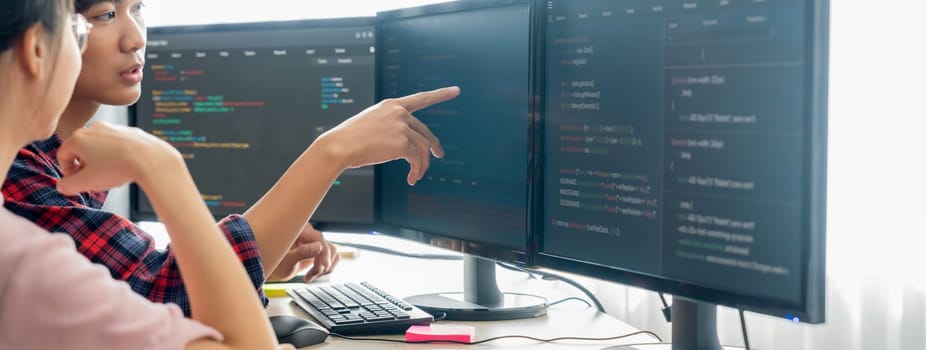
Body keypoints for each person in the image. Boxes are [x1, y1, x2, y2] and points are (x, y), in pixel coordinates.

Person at [2, 0, 460, 315]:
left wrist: (263, 256)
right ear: (36, 41)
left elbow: (122, 287)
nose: (135, 37)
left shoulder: (55, 158)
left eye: (138, 8)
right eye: (102, 15)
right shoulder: (20, 180)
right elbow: (172, 301)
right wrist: (332, 152)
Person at [0, 0, 282, 348]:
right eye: (89, 24)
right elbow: (165, 294)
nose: (135, 39)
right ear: (37, 50)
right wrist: (161, 166)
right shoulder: (24, 262)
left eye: (138, 7)